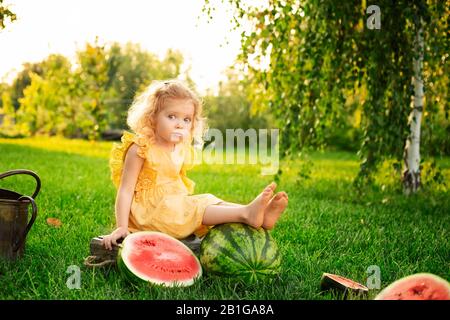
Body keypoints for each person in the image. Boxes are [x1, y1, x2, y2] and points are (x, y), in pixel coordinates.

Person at [102, 80, 288, 250]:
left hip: (172, 206)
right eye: (172, 116)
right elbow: (125, 190)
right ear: (152, 117)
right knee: (197, 205)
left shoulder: (179, 147)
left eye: (186, 119)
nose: (179, 124)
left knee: (207, 199)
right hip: (150, 214)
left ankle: (258, 215)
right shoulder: (140, 148)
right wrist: (121, 227)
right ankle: (245, 214)